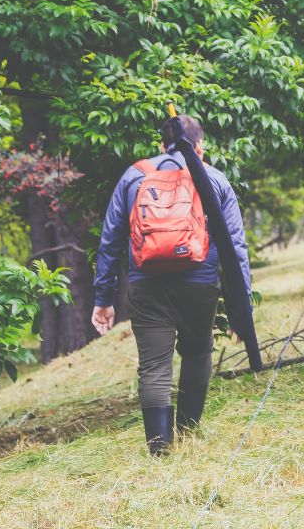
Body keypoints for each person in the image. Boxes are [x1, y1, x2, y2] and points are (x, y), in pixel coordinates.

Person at [91, 115, 252, 456]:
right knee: (197, 351)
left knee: (153, 365)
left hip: (147, 284)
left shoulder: (134, 176)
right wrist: (241, 306)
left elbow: (110, 241)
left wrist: (103, 298)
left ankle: (159, 449)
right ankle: (188, 432)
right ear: (200, 146)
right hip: (199, 283)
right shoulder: (214, 179)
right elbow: (235, 247)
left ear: (161, 145)